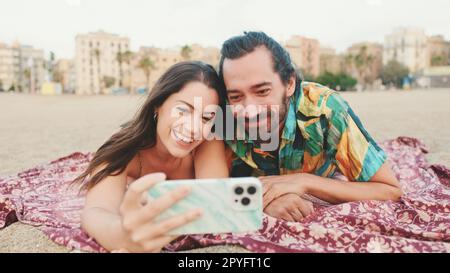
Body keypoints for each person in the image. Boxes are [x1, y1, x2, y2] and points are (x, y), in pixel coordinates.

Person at [219, 31, 403, 222]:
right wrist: (264, 201)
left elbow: (389, 190)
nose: (250, 110)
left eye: (263, 91)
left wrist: (304, 181)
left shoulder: (326, 110)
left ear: (289, 83)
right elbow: (210, 189)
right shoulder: (220, 116)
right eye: (236, 97)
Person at [74, 61, 229, 252]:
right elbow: (96, 211)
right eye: (183, 110)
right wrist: (122, 237)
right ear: (158, 104)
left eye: (206, 118)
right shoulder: (122, 150)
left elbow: (214, 203)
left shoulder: (208, 142)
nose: (193, 128)